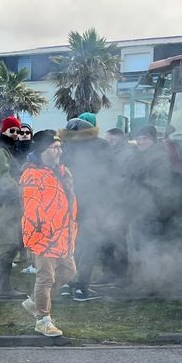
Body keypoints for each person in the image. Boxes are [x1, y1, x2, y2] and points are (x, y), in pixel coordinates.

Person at [20, 130, 77, 337]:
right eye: (54, 147)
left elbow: (70, 200)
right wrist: (44, 230)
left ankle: (37, 302)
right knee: (45, 278)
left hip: (64, 234)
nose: (59, 150)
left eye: (60, 146)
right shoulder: (32, 174)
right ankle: (42, 319)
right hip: (43, 236)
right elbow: (31, 207)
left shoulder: (63, 171)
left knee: (69, 271)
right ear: (43, 150)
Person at [58, 116, 109, 302]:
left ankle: (66, 284)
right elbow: (111, 174)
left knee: (72, 245)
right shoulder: (101, 146)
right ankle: (81, 287)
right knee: (91, 244)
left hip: (68, 205)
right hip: (93, 203)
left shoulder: (61, 149)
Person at [0, 115, 26, 299]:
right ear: (4, 131)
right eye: (12, 130)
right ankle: (3, 289)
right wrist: (21, 189)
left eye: (18, 131)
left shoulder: (7, 150)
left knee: (0, 248)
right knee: (7, 246)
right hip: (6, 205)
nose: (15, 134)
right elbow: (2, 177)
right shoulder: (0, 152)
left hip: (5, 204)